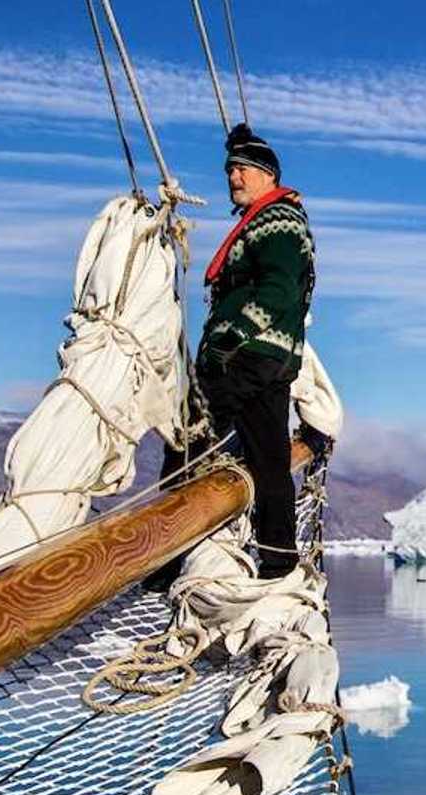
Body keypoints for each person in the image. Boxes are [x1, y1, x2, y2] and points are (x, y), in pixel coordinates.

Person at [145, 122, 316, 590]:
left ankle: (166, 561)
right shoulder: (269, 218)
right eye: (229, 170)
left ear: (267, 175)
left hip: (248, 357)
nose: (233, 177)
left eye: (241, 169)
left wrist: (232, 335)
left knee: (189, 444)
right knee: (266, 455)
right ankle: (277, 559)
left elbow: (280, 287)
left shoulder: (277, 222)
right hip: (262, 358)